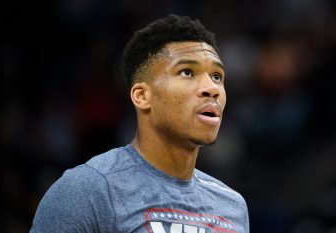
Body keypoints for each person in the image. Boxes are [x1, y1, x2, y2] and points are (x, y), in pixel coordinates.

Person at [30, 14, 249, 233]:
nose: (211, 88)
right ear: (142, 96)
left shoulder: (233, 206)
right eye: (187, 72)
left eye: (217, 76)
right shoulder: (88, 190)